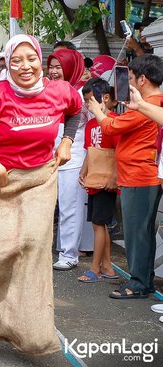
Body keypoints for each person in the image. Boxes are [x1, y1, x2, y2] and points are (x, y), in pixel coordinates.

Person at [0, 34, 82, 354]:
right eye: (16, 60)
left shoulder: (59, 91)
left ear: (41, 61)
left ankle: (32, 331)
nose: (24, 66)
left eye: (31, 59)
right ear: (8, 63)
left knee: (30, 245)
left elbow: (75, 110)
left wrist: (67, 141)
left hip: (39, 179)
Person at [86, 54, 163, 299]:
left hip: (140, 176)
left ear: (142, 80)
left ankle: (138, 283)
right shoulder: (151, 103)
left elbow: (110, 127)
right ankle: (143, 281)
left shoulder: (151, 104)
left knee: (136, 233)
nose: (127, 82)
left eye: (130, 77)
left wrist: (98, 110)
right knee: (141, 233)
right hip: (138, 175)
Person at [47, 48, 94, 270]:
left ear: (70, 68)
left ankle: (69, 254)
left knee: (70, 207)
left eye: (59, 67)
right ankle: (62, 248)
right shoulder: (47, 90)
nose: (54, 72)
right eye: (52, 67)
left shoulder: (84, 93)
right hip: (48, 156)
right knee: (56, 207)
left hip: (74, 158)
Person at [77, 78, 120, 283]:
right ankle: (107, 266)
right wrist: (84, 171)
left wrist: (114, 177)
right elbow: (89, 151)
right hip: (94, 179)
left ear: (104, 98)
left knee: (98, 223)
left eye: (90, 100)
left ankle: (95, 269)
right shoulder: (90, 125)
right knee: (99, 225)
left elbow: (119, 152)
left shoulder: (113, 121)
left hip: (106, 180)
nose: (87, 105)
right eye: (85, 101)